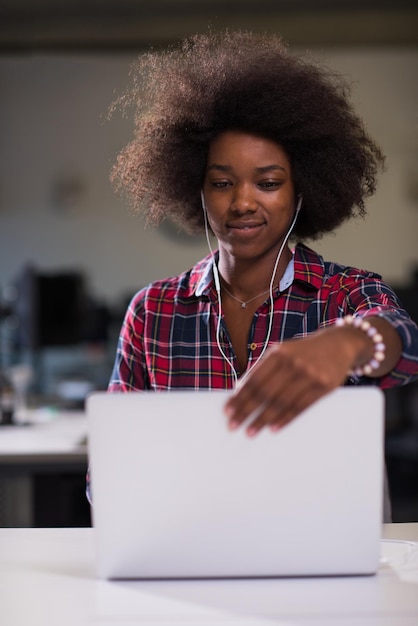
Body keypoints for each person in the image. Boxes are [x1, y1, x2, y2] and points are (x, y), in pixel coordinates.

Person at [102, 31, 418, 517]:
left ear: (302, 191)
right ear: (197, 191)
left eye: (268, 183)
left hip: (319, 545)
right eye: (222, 183)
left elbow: (406, 348)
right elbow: (111, 467)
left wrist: (352, 343)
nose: (244, 201)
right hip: (187, 541)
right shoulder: (154, 311)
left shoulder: (345, 295)